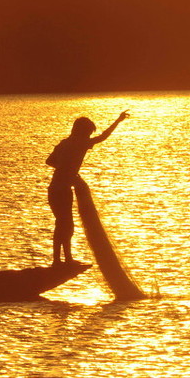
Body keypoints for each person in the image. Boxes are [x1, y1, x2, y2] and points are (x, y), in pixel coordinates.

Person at [46, 111, 129, 264]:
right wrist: (119, 120)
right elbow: (103, 137)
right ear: (82, 131)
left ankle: (60, 259)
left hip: (54, 189)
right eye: (88, 132)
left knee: (63, 223)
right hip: (61, 190)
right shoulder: (80, 142)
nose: (89, 136)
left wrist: (65, 169)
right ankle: (62, 260)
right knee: (66, 225)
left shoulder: (64, 143)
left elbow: (49, 161)